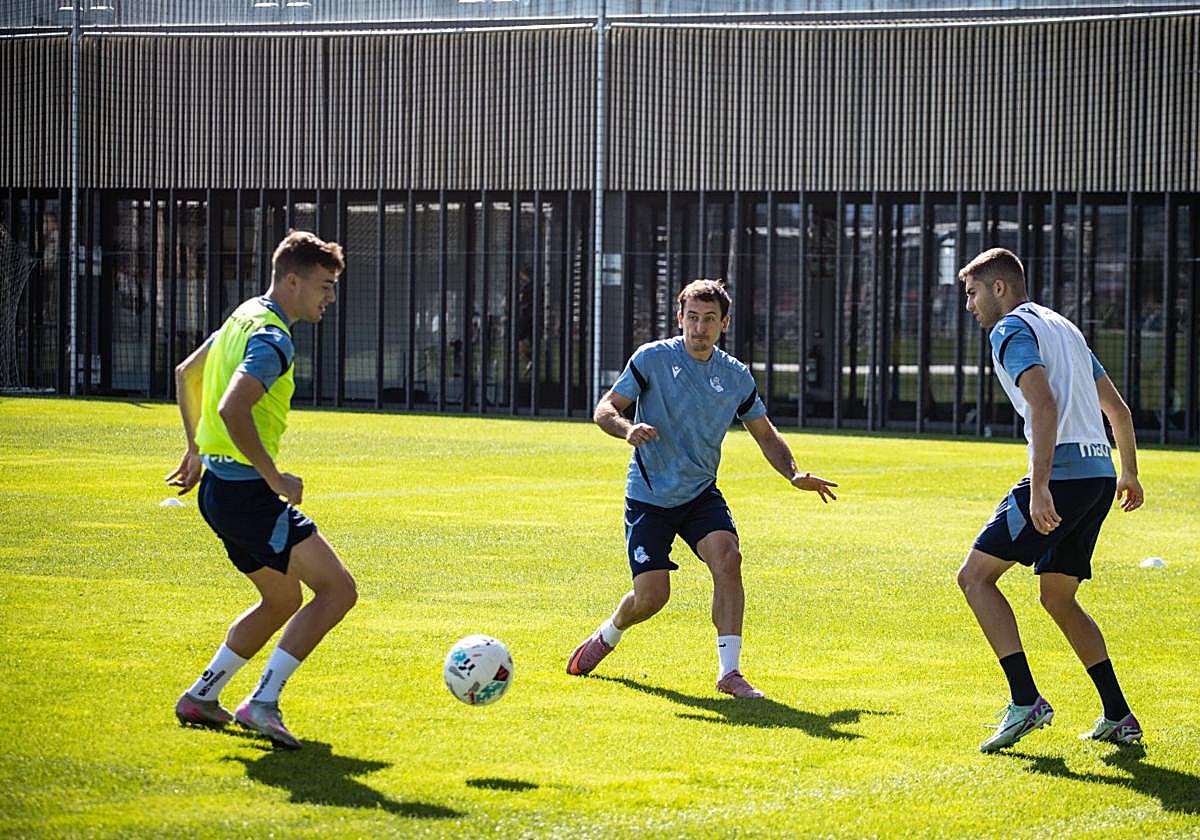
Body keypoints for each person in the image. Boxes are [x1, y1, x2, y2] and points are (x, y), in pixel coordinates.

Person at [567, 279, 838, 698]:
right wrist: (627, 429)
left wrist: (794, 474)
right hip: (650, 496)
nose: (699, 327)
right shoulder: (652, 358)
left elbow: (765, 434)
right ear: (680, 319)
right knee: (652, 598)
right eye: (692, 318)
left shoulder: (735, 376)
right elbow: (605, 408)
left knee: (728, 558)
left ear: (724, 323)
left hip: (699, 494)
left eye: (710, 319)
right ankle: (608, 633)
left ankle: (729, 673)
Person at [166, 230, 357, 750]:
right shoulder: (272, 338)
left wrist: (196, 450)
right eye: (324, 285)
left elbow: (188, 373)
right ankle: (263, 704)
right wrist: (275, 477)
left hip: (220, 494)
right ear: (292, 281)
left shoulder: (245, 312)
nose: (330, 298)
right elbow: (231, 406)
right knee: (338, 591)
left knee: (280, 599)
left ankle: (202, 697)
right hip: (247, 495)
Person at [956, 248, 1144, 753]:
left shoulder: (1010, 330)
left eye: (972, 293)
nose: (969, 304)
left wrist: (1039, 488)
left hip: (1061, 478)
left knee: (974, 578)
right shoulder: (1065, 327)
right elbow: (1119, 411)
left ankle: (1025, 701)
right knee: (1057, 597)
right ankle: (1119, 715)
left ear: (1000, 288)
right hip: (1098, 476)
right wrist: (1128, 473)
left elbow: (1043, 403)